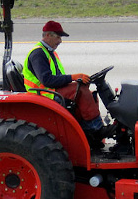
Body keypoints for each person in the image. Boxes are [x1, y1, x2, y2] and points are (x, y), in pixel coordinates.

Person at [23, 20, 116, 148]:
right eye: (58, 37)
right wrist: (74, 77)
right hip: (44, 94)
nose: (60, 41)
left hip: (51, 90)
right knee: (81, 90)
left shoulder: (49, 52)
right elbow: (47, 80)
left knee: (87, 92)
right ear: (48, 35)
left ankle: (89, 133)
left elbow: (58, 77)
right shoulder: (38, 54)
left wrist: (76, 80)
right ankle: (96, 129)